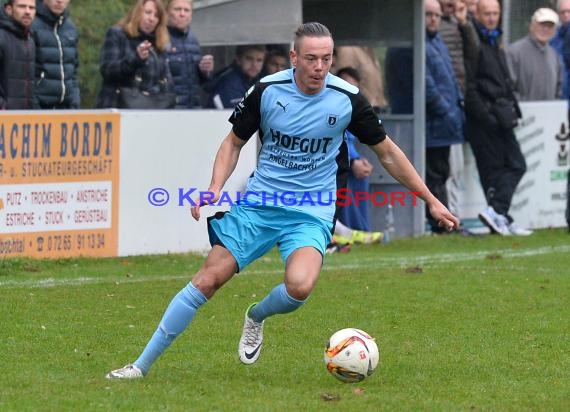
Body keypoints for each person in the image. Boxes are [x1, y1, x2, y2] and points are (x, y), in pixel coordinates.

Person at [105, 21, 459, 380]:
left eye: (326, 58)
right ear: (294, 57)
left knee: (300, 286)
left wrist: (429, 198)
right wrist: (214, 187)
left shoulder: (347, 98)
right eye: (311, 59)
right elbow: (233, 143)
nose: (320, 67)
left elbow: (387, 154)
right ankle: (140, 367)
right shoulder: (266, 91)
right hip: (260, 204)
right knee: (207, 280)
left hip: (311, 211)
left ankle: (256, 315)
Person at [465, 0, 532, 236]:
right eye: (487, 14)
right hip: (486, 120)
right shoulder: (475, 43)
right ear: (478, 14)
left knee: (515, 165)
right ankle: (498, 213)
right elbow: (469, 86)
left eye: (495, 13)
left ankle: (499, 213)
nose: (492, 18)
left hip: (501, 116)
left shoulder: (494, 41)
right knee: (501, 168)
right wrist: (486, 116)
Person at [425, 0, 465, 234]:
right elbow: (427, 86)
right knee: (434, 175)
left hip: (445, 123)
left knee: (442, 172)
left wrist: (456, 106)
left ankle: (446, 220)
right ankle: (442, 223)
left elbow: (450, 77)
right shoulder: (418, 44)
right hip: (433, 123)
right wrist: (445, 110)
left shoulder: (437, 41)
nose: (433, 19)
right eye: (428, 15)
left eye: (436, 15)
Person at [437, 0, 479, 221]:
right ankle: (449, 216)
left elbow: (475, 52)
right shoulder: (432, 25)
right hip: (443, 106)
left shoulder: (461, 23)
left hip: (459, 102)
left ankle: (452, 214)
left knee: (457, 166)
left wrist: (464, 22)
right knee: (448, 167)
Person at [95, 0, 174, 109]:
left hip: (148, 111)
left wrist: (152, 92)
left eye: (156, 16)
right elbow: (108, 71)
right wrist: (136, 60)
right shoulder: (117, 34)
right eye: (148, 12)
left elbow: (167, 81)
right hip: (116, 107)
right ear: (137, 13)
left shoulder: (159, 44)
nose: (151, 19)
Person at [32, 0, 80, 109]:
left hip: (66, 108)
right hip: (39, 108)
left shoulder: (70, 28)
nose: (59, 1)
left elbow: (73, 70)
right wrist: (34, 104)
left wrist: (75, 100)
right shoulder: (31, 25)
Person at [506, 8, 562, 102]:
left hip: (549, 114)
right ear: (532, 26)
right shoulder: (514, 52)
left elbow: (558, 89)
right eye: (542, 25)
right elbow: (508, 88)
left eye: (550, 26)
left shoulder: (554, 56)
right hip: (522, 114)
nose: (545, 29)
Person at [166, 0, 214, 108]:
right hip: (169, 111)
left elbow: (205, 84)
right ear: (167, 12)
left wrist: (205, 71)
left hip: (193, 109)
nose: (182, 14)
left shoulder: (193, 39)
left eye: (186, 10)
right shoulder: (160, 38)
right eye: (177, 9)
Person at [0, 0, 36, 110]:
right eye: (22, 6)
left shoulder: (30, 39)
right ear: (9, 9)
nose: (27, 11)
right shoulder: (1, 38)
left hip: (26, 121)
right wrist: (3, 107)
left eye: (31, 8)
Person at [205, 44, 266, 109]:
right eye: (249, 59)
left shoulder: (261, 80)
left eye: (259, 60)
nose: (254, 64)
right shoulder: (229, 83)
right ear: (238, 59)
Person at [551, 0, 570, 120]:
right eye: (563, 12)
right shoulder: (553, 40)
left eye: (569, 11)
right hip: (559, 101)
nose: (566, 15)